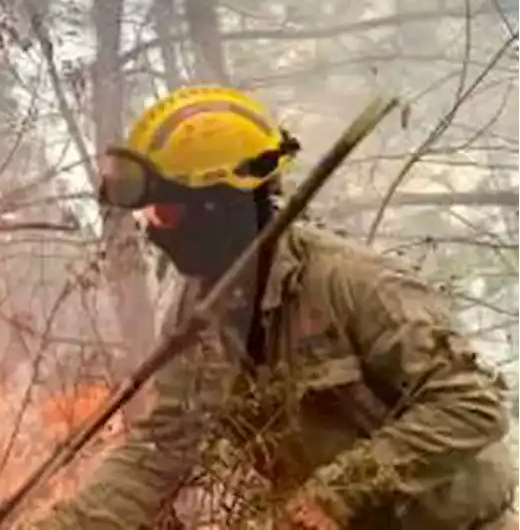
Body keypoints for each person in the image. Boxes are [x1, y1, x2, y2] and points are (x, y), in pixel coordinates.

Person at [36, 86, 516, 529]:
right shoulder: (199, 317)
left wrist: (342, 491)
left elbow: (471, 404)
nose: (153, 232)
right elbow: (162, 450)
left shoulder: (351, 283)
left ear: (216, 206)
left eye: (164, 212)